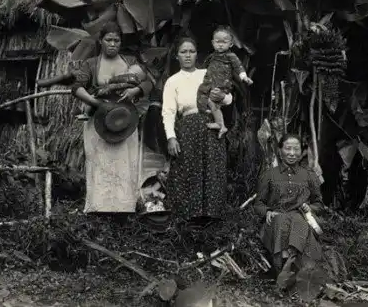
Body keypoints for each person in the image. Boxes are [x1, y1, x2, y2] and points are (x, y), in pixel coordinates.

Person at [70, 22, 154, 213]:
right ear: (101, 41)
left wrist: (135, 91)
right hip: (99, 122)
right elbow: (76, 87)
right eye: (109, 40)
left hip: (125, 121)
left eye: (116, 40)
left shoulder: (130, 61)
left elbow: (148, 83)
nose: (113, 44)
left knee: (125, 164)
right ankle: (99, 209)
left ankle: (124, 209)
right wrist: (97, 103)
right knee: (100, 164)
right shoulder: (91, 63)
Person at [161, 36, 234, 222]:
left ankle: (212, 216)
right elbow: (168, 112)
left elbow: (228, 99)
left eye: (191, 52)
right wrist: (171, 137)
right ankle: (189, 217)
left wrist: (221, 96)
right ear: (177, 56)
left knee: (212, 168)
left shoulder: (206, 74)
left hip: (211, 125)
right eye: (183, 52)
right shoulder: (173, 81)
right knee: (188, 168)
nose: (188, 55)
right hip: (187, 128)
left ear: (196, 55)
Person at [253, 134, 324, 289]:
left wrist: (310, 208)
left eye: (296, 149)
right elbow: (258, 204)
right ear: (280, 151)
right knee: (280, 221)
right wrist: (267, 212)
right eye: (288, 148)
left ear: (302, 152)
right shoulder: (270, 174)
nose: (292, 153)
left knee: (298, 221)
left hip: (301, 219)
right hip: (277, 220)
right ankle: (282, 271)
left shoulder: (309, 175)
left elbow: (319, 204)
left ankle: (299, 274)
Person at [198, 27, 253, 139]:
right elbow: (203, 69)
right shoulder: (211, 57)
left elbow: (238, 67)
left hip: (222, 86)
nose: (220, 45)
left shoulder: (231, 56)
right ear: (213, 43)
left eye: (224, 42)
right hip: (211, 85)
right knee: (209, 101)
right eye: (218, 42)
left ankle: (220, 123)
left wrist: (244, 77)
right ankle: (220, 124)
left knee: (213, 101)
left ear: (231, 44)